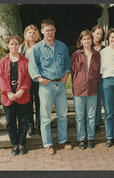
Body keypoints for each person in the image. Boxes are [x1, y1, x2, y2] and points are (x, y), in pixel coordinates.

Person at [28, 19, 71, 155]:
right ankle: (47, 144)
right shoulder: (37, 48)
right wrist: (40, 79)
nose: (50, 33)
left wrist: (65, 78)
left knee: (63, 114)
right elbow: (32, 66)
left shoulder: (62, 46)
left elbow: (67, 64)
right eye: (47, 30)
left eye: (52, 30)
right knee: (45, 116)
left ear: (55, 30)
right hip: (46, 87)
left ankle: (63, 140)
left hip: (61, 85)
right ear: (42, 31)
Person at [0, 35, 31, 155]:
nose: (14, 46)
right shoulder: (3, 61)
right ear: (8, 45)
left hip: (23, 95)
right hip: (8, 97)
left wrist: (21, 91)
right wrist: (9, 92)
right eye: (12, 44)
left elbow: (27, 78)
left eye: (16, 44)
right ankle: (14, 144)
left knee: (23, 121)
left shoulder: (25, 61)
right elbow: (0, 79)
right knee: (10, 122)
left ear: (20, 45)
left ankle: (22, 143)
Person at [71, 30, 101, 150]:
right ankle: (81, 138)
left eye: (89, 39)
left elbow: (98, 71)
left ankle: (91, 138)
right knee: (79, 115)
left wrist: (94, 80)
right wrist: (77, 82)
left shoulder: (97, 54)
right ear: (81, 41)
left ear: (92, 40)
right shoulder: (76, 54)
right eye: (84, 39)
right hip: (79, 88)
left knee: (91, 115)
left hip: (92, 88)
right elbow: (73, 71)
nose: (87, 41)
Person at [19, 24, 41, 135]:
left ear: (36, 34)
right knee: (28, 104)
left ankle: (39, 126)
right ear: (26, 34)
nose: (31, 34)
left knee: (39, 103)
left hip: (38, 79)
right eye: (29, 32)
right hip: (26, 80)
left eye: (33, 32)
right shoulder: (22, 47)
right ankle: (30, 127)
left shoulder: (41, 46)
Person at [91, 25, 105, 133]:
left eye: (101, 34)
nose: (99, 36)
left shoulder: (105, 49)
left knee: (99, 102)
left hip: (102, 78)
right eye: (97, 33)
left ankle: (97, 123)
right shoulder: (88, 46)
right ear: (92, 33)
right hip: (90, 79)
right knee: (91, 102)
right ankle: (90, 122)